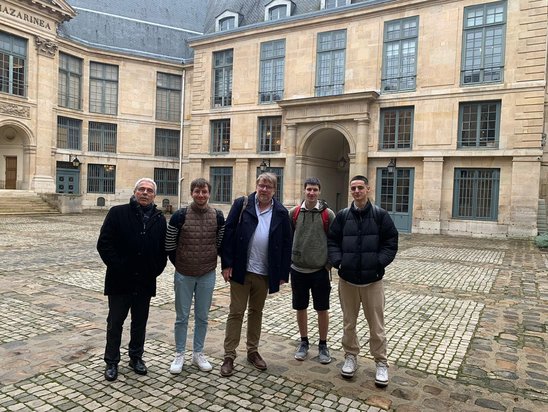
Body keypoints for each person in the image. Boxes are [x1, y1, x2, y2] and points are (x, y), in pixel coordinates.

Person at [327, 175, 398, 387]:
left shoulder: (380, 216)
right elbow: (332, 240)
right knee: (349, 322)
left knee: (376, 325)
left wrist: (378, 263)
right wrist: (339, 261)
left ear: (368, 189)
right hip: (347, 280)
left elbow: (391, 242)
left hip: (372, 281)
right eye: (354, 188)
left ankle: (381, 362)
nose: (357, 191)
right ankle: (350, 356)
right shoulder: (342, 216)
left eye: (360, 188)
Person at [219, 172, 292, 377]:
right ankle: (229, 355)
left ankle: (252, 351)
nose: (264, 189)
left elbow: (287, 245)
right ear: (256, 185)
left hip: (264, 273)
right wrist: (227, 264)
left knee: (256, 312)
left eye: (268, 186)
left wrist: (282, 273)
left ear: (274, 190)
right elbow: (228, 233)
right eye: (261, 185)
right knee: (236, 312)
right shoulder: (242, 205)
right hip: (241, 269)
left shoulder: (280, 212)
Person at [97, 177, 167, 382]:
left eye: (149, 190)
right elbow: (104, 244)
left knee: (139, 322)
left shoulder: (159, 218)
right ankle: (111, 361)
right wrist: (119, 266)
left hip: (145, 281)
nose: (145, 193)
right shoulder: (117, 213)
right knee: (115, 322)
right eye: (141, 189)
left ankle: (136, 357)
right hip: (120, 280)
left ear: (154, 195)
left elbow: (162, 250)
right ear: (135, 192)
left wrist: (155, 270)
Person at [165, 178, 225, 374]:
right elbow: (170, 244)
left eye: (204, 191)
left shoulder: (217, 216)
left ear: (209, 193)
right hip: (184, 273)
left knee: (202, 316)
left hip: (207, 273)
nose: (201, 195)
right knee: (182, 317)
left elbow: (220, 242)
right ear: (192, 193)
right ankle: (179, 353)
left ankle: (198, 352)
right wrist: (181, 264)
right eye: (197, 191)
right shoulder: (180, 216)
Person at [288, 177, 335, 364]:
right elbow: (289, 237)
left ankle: (323, 344)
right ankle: (304, 342)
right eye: (308, 189)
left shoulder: (328, 214)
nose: (311, 193)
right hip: (298, 269)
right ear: (304, 190)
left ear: (319, 191)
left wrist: (329, 264)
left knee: (322, 309)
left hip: (320, 271)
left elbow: (334, 240)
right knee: (301, 307)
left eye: (315, 189)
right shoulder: (294, 213)